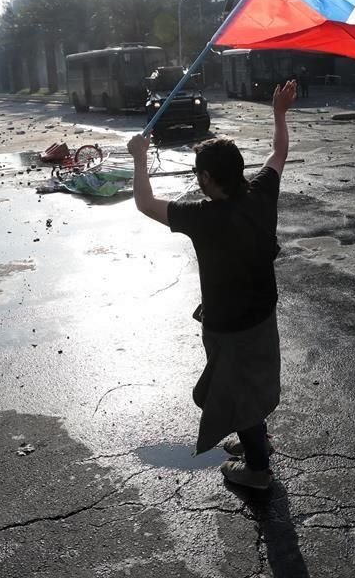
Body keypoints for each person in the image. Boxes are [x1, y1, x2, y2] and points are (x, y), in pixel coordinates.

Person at [127, 80, 298, 490]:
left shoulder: (202, 217)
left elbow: (145, 203)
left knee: (236, 391)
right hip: (263, 313)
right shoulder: (260, 193)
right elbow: (278, 153)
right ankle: (258, 439)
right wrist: (279, 113)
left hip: (229, 325)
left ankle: (258, 470)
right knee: (252, 381)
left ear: (206, 178)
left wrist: (138, 158)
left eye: (196, 174)